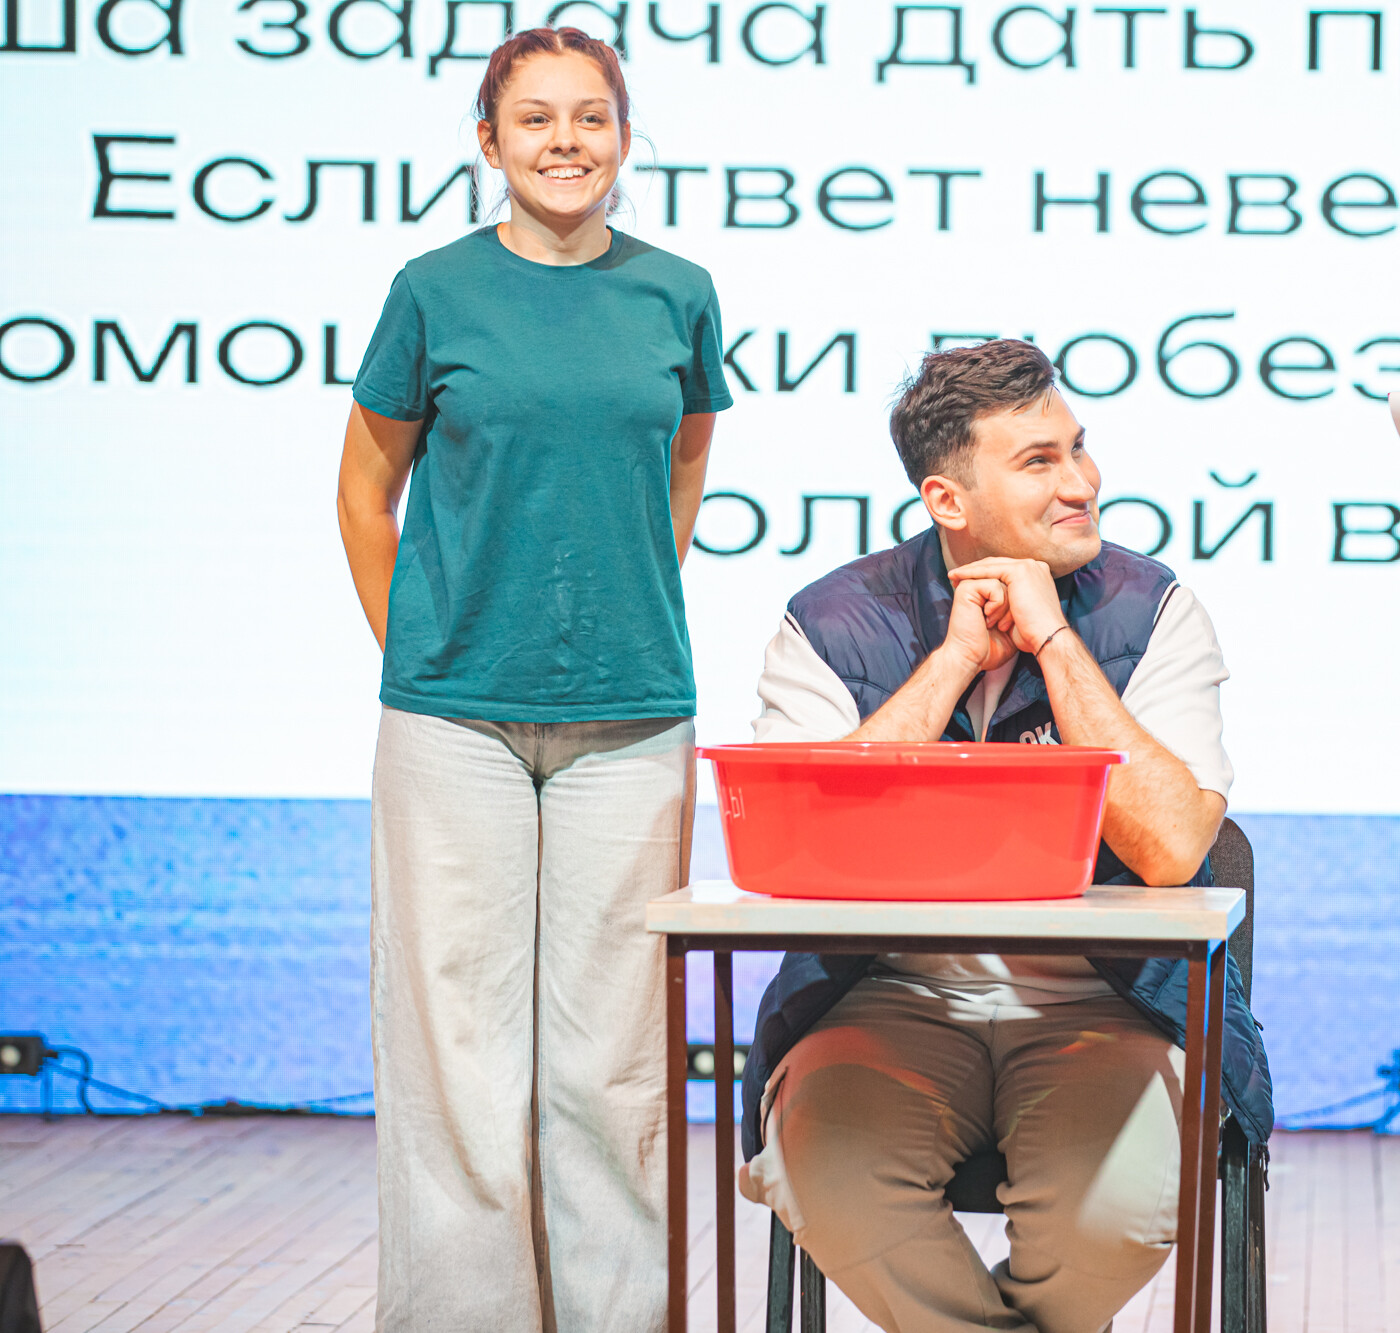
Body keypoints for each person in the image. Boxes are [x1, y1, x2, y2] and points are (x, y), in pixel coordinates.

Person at [736, 338, 1271, 1333]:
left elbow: (1170, 848)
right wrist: (950, 662)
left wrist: (1055, 643)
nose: (1082, 483)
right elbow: (807, 845)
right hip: (882, 998)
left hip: (1107, 1004)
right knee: (825, 1172)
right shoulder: (828, 622)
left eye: (1078, 448)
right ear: (947, 500)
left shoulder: (1152, 610)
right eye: (1038, 462)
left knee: (1119, 1211)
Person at [332, 27, 732, 1330]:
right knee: (455, 1056)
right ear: (489, 142)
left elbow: (681, 462)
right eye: (536, 118)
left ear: (624, 135)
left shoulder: (677, 292)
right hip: (453, 722)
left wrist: (616, 601)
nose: (566, 141)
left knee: (612, 1063)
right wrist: (425, 646)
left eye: (590, 117)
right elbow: (364, 490)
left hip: (635, 716)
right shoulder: (432, 290)